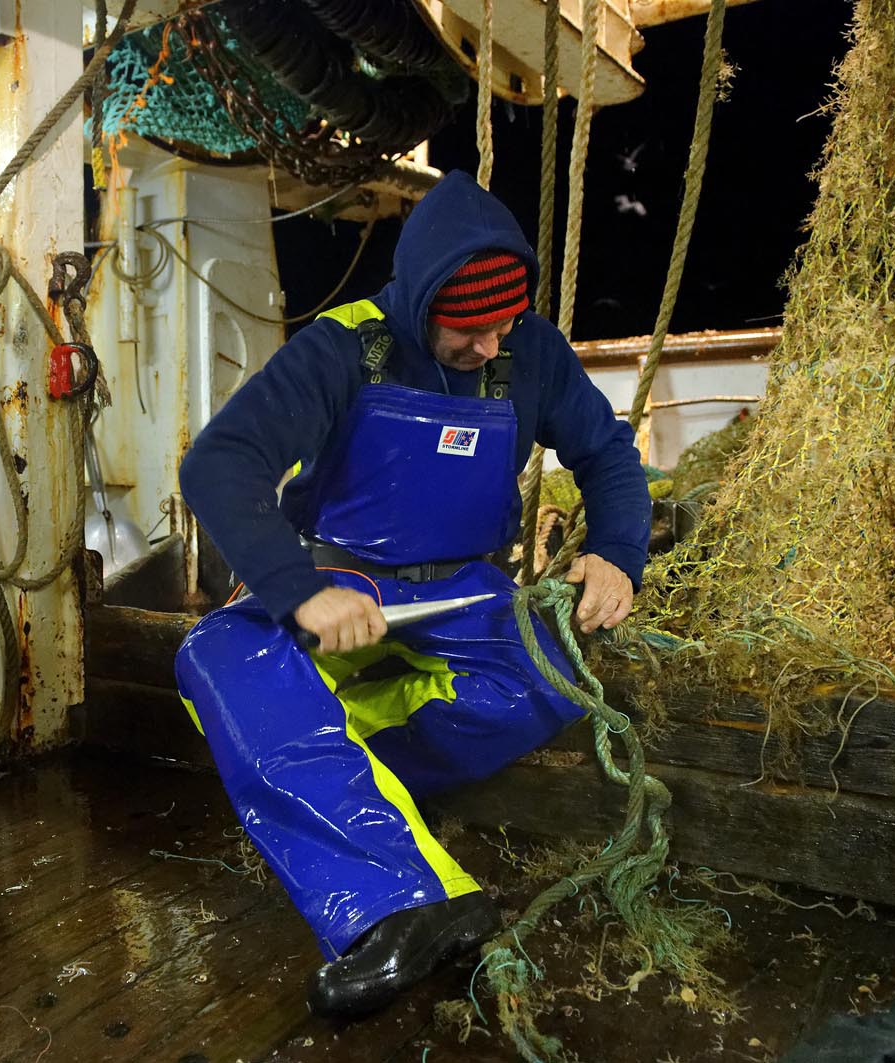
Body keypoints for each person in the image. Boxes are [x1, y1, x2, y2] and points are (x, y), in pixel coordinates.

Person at [174, 170, 651, 1018]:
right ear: (421, 295)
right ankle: (395, 902)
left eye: (505, 323)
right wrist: (299, 589)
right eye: (468, 329)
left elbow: (608, 454)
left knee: (553, 674)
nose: (491, 346)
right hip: (344, 575)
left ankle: (347, 786)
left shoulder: (528, 347)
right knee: (217, 656)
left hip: (466, 587)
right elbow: (219, 463)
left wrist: (617, 552)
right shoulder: (344, 345)